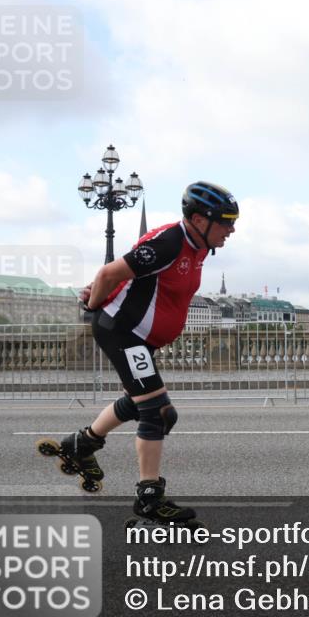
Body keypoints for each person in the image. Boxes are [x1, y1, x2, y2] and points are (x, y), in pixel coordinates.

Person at [44, 181, 238, 524]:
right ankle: (149, 498)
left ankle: (83, 444)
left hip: (138, 337)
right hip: (122, 332)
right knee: (159, 413)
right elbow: (109, 272)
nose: (231, 230)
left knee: (139, 401)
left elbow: (140, 279)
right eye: (225, 221)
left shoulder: (199, 245)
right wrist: (94, 302)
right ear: (198, 219)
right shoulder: (169, 242)